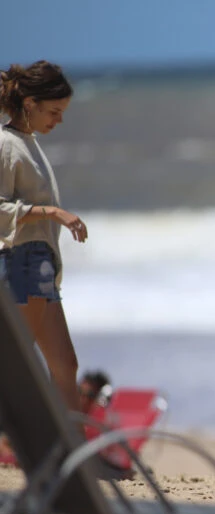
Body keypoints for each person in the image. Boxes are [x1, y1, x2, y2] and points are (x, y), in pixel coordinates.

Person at [0, 61, 88, 412]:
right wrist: (52, 213)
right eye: (53, 111)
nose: (59, 120)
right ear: (30, 104)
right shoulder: (6, 145)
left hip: (41, 264)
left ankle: (74, 458)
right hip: (23, 260)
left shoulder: (28, 143)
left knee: (65, 366)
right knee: (16, 368)